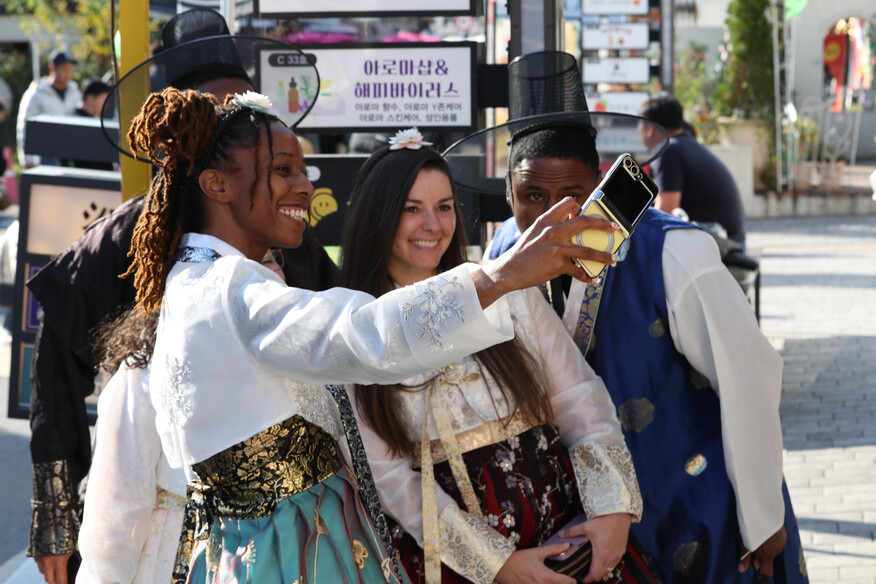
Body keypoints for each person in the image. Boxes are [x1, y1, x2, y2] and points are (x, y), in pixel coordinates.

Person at [95, 85, 605, 584]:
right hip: (289, 552)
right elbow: (361, 335)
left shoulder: (199, 279)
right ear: (216, 184)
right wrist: (501, 275)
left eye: (301, 168)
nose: (304, 185)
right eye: (282, 170)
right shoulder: (229, 287)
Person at [24, 11, 337, 584]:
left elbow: (338, 346)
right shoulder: (123, 239)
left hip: (273, 529)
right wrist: (57, 519)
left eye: (241, 114)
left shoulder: (285, 234)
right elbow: (55, 371)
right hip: (158, 518)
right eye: (213, 116)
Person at [481, 52, 808, 584]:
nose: (553, 217)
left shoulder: (674, 254)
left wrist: (763, 515)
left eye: (573, 195)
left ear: (601, 182)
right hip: (581, 530)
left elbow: (750, 374)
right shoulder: (500, 255)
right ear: (509, 194)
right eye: (531, 197)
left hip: (699, 514)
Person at [339, 132, 646, 584]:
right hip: (458, 563)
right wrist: (496, 564)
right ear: (377, 216)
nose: (433, 224)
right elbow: (390, 481)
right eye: (411, 208)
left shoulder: (510, 292)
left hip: (567, 537)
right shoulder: (355, 334)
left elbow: (580, 398)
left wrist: (612, 509)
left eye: (444, 207)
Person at [74, 246, 292, 584]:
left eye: (270, 260)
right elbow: (115, 517)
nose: (265, 274)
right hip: (174, 560)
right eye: (255, 263)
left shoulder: (285, 370)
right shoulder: (144, 376)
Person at [638, 94, 747, 246]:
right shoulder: (687, 144)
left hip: (722, 250)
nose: (639, 130)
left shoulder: (669, 152)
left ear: (649, 128)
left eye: (640, 123)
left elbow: (664, 215)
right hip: (731, 242)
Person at [16, 48, 82, 167]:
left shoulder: (75, 92)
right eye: (64, 69)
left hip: (70, 155)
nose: (68, 73)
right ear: (52, 68)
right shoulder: (36, 94)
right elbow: (24, 126)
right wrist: (27, 159)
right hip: (44, 157)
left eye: (70, 69)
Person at [63, 79, 114, 171]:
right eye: (103, 99)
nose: (106, 104)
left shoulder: (70, 118)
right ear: (90, 98)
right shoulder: (78, 123)